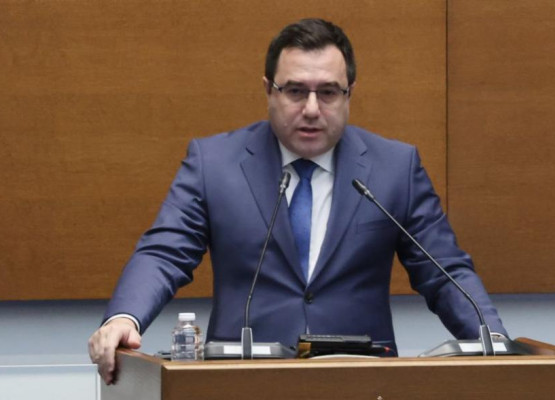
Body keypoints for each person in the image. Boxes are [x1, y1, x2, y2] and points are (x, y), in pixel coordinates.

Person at [88, 18, 507, 384]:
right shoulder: (213, 163)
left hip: (362, 382)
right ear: (268, 91)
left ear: (350, 93)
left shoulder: (394, 168)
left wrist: (496, 342)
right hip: (241, 381)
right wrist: (125, 317)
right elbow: (165, 253)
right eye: (295, 91)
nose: (311, 109)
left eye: (328, 92)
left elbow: (444, 272)